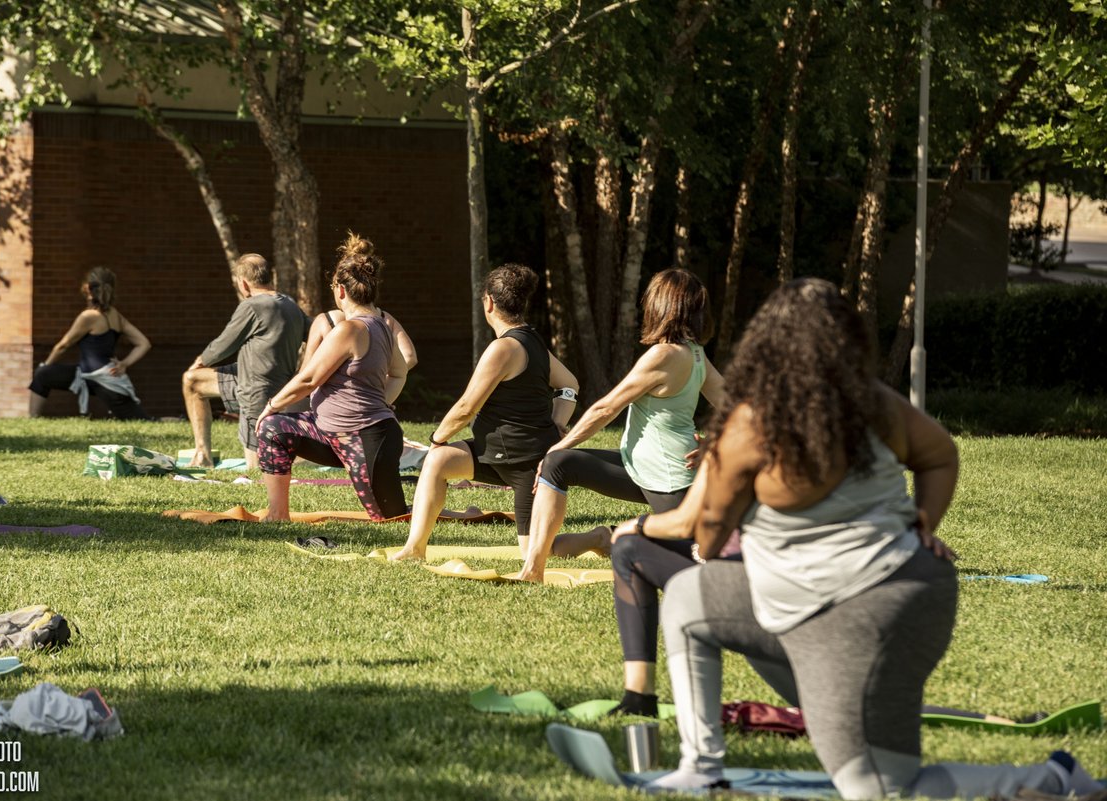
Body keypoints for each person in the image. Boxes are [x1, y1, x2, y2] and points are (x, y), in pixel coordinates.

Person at [619, 278, 1103, 800]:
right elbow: (940, 454)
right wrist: (923, 524)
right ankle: (700, 767)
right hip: (899, 590)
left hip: (867, 612)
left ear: (767, 344)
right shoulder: (874, 402)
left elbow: (707, 539)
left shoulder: (752, 424)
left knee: (876, 789)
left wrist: (643, 527)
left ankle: (1051, 779)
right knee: (691, 600)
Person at [516, 268, 725, 717]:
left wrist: (559, 440)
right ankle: (534, 568)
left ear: (659, 306)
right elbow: (734, 405)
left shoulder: (665, 355)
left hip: (667, 481)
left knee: (694, 564)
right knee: (559, 466)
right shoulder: (695, 353)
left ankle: (611, 539)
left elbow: (608, 406)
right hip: (639, 467)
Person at [390, 264, 578, 561]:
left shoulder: (503, 348)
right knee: (437, 462)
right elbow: (569, 386)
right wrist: (557, 422)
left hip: (527, 466)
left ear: (489, 302)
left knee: (537, 555)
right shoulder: (532, 341)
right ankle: (414, 549)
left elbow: (466, 408)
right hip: (494, 454)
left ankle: (599, 537)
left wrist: (437, 438)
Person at [255, 235, 408, 522]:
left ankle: (456, 514)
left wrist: (271, 405)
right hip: (329, 432)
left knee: (392, 519)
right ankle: (278, 514)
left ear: (340, 291)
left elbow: (308, 379)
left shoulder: (349, 329)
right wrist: (383, 401)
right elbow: (400, 372)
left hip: (366, 438)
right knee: (273, 430)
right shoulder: (384, 325)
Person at [182, 254, 310, 469]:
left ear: (243, 283)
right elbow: (313, 333)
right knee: (192, 382)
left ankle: (205, 455)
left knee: (256, 470)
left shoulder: (252, 305)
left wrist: (201, 360)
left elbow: (224, 345)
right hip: (263, 380)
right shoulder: (289, 303)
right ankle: (202, 455)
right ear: (271, 277)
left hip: (257, 390)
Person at [28, 267, 150, 419]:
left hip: (105, 381)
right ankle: (32, 419)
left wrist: (45, 364)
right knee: (43, 375)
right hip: (91, 376)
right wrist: (124, 363)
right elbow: (143, 343)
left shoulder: (88, 316)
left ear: (89, 290)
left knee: (144, 420)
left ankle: (179, 420)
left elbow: (63, 345)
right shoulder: (115, 315)